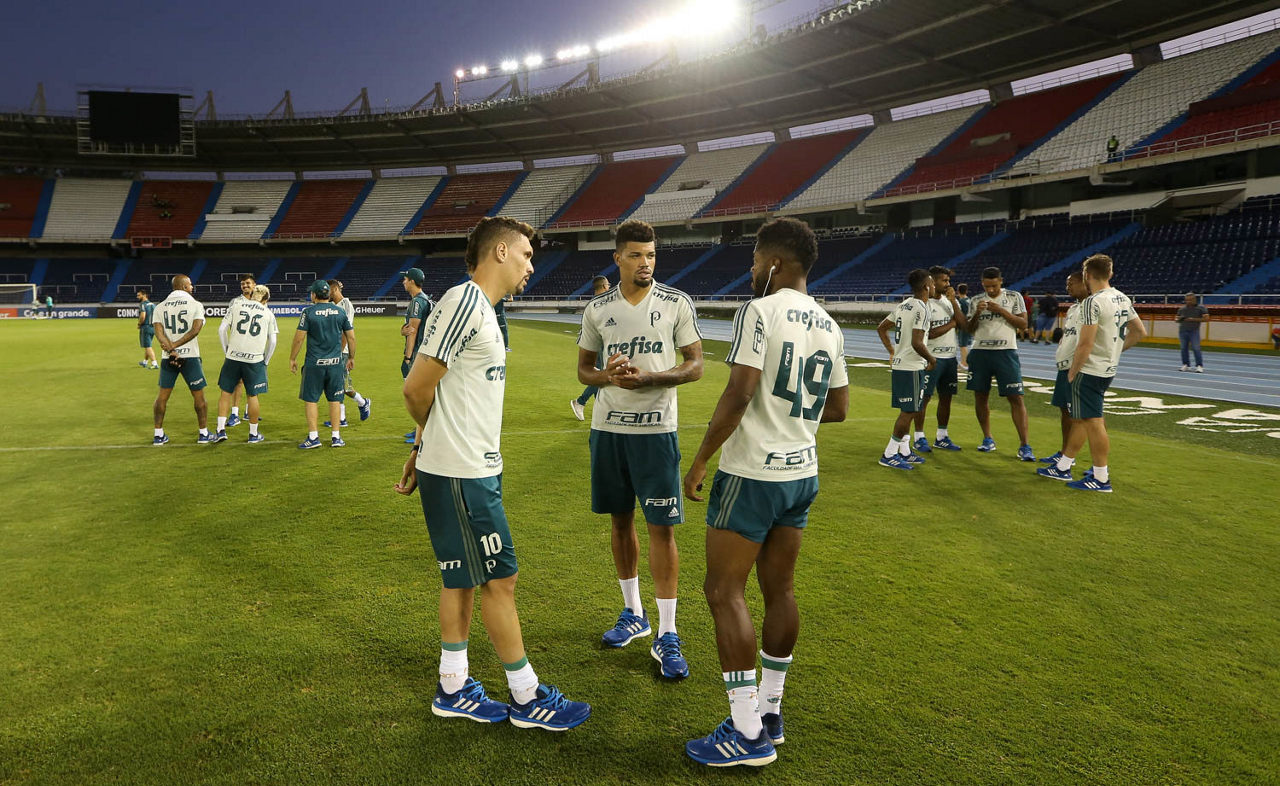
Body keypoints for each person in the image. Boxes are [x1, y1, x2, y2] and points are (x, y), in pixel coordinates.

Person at [396, 215, 591, 730]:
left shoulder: (481, 307)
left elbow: (446, 391)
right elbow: (416, 387)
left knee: (461, 577)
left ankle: (452, 687)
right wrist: (432, 441)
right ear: (500, 252)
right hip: (462, 471)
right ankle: (527, 697)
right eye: (526, 255)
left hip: (462, 466)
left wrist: (422, 445)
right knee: (501, 579)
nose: (530, 266)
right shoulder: (465, 302)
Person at [681, 217, 848, 767]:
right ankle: (771, 712)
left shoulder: (759, 310)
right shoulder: (829, 323)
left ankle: (746, 731)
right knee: (781, 591)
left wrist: (700, 459)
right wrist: (791, 418)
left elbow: (739, 391)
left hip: (753, 473)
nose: (752, 270)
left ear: (775, 263)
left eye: (755, 260)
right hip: (802, 472)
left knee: (723, 591)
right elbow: (839, 407)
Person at [575, 220, 704, 678]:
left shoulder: (675, 302)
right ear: (618, 258)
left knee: (662, 528)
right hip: (609, 430)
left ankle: (668, 632)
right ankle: (634, 613)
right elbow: (584, 371)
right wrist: (606, 377)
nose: (645, 263)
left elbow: (695, 365)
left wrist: (651, 378)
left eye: (650, 255)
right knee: (620, 520)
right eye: (635, 255)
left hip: (656, 431)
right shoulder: (598, 309)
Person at [1038, 254, 1146, 492]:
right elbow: (1139, 332)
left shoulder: (1092, 302)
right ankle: (1065, 465)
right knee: (1086, 419)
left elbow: (1085, 343)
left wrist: (1073, 371)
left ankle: (1100, 477)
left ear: (1087, 275)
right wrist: (1114, 352)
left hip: (1089, 369)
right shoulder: (1121, 297)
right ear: (1110, 273)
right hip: (1107, 369)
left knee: (1093, 422)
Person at [967, 267, 1034, 460]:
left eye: (994, 286)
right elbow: (969, 329)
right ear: (982, 284)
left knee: (1016, 397)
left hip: (1006, 352)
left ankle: (1025, 445)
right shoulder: (975, 300)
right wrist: (977, 313)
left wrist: (1001, 310)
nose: (991, 290)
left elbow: (1023, 324)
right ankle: (987, 438)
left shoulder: (1013, 297)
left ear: (1001, 281)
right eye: (987, 286)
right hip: (980, 352)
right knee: (980, 396)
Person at [876, 270, 936, 470]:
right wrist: (932, 359)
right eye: (932, 284)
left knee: (909, 409)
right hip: (912, 366)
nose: (934, 287)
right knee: (910, 410)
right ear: (926, 286)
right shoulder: (922, 308)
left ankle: (904, 451)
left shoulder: (904, 305)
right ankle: (889, 453)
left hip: (900, 364)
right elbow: (917, 342)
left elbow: (881, 328)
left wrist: (892, 351)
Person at [290, 280, 356, 450]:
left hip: (315, 363)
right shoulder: (340, 312)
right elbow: (351, 337)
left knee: (311, 399)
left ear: (314, 294)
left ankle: (314, 437)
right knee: (335, 400)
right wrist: (351, 357)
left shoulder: (308, 312)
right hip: (335, 363)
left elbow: (299, 339)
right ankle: (336, 437)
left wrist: (292, 358)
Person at [912, 265, 968, 453]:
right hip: (931, 358)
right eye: (944, 280)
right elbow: (928, 334)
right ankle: (919, 437)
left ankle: (942, 436)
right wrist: (952, 323)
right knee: (924, 398)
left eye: (948, 280)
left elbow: (964, 325)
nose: (948, 284)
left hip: (950, 358)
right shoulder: (924, 304)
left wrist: (953, 302)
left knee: (946, 398)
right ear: (932, 282)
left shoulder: (949, 301)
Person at [213, 284, 278, 444]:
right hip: (254, 360)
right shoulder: (268, 314)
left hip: (233, 357)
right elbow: (273, 341)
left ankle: (220, 430)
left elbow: (222, 330)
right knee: (252, 395)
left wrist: (226, 350)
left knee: (225, 393)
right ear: (266, 299)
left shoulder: (236, 306)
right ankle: (253, 434)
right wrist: (266, 361)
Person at [151, 275, 211, 445]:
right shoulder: (196, 305)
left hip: (168, 358)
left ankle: (158, 434)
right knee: (199, 397)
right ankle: (203, 434)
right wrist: (176, 346)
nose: (192, 287)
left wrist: (171, 350)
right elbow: (195, 330)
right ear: (184, 287)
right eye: (190, 285)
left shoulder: (160, 307)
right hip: (190, 357)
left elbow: (158, 333)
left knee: (162, 398)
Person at [1039, 271, 1090, 467]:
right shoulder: (1073, 308)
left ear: (1084, 283)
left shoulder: (1093, 306)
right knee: (1065, 411)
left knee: (1084, 415)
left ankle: (1076, 459)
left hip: (1078, 368)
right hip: (1064, 367)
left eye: (1072, 284)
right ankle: (1064, 453)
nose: (1068, 288)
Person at [324, 279, 372, 427]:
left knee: (338, 385)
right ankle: (350, 411)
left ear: (335, 289)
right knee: (337, 384)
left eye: (328, 290)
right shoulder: (333, 306)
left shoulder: (345, 304)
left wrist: (339, 352)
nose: (326, 293)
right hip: (333, 350)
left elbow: (347, 331)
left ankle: (358, 405)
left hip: (341, 352)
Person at [570, 275, 611, 421]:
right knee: (600, 376)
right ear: (604, 286)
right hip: (597, 344)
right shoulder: (601, 304)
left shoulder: (593, 304)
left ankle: (602, 408)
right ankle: (580, 402)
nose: (609, 287)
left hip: (593, 343)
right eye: (608, 285)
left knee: (600, 375)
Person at [400, 267, 433, 443]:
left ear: (412, 281)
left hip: (418, 354)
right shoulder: (425, 299)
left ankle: (423, 431)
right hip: (426, 352)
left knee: (416, 394)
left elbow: (412, 331)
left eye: (405, 279)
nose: (403, 282)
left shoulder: (417, 302)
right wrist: (402, 330)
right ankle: (420, 428)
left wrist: (407, 358)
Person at [223, 275, 257, 429]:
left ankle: (249, 411)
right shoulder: (235, 302)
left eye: (248, 283)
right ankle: (235, 414)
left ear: (254, 284)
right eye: (243, 283)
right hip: (238, 347)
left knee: (253, 381)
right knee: (238, 381)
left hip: (254, 348)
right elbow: (228, 324)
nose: (245, 286)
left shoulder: (260, 301)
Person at [1176, 292, 1208, 372]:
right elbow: (1176, 319)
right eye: (1187, 300)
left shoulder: (1201, 308)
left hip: (1194, 331)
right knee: (1183, 348)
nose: (1188, 301)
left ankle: (1199, 365)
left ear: (1195, 299)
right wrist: (1180, 319)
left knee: (1196, 348)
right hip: (1183, 330)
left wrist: (1192, 319)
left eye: (1190, 300)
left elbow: (1206, 319)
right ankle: (1186, 364)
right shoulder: (1182, 309)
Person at [136, 290, 158, 368]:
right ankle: (145, 362)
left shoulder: (142, 305)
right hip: (153, 327)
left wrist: (139, 324)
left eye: (139, 295)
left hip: (146, 327)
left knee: (148, 346)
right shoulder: (153, 305)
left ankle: (154, 364)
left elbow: (143, 316)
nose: (137, 297)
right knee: (148, 345)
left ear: (144, 295)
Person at [956, 283, 972, 368]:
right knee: (966, 344)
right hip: (969, 325)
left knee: (963, 345)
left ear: (958, 291)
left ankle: (964, 363)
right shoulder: (969, 300)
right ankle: (965, 362)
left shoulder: (961, 302)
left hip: (963, 325)